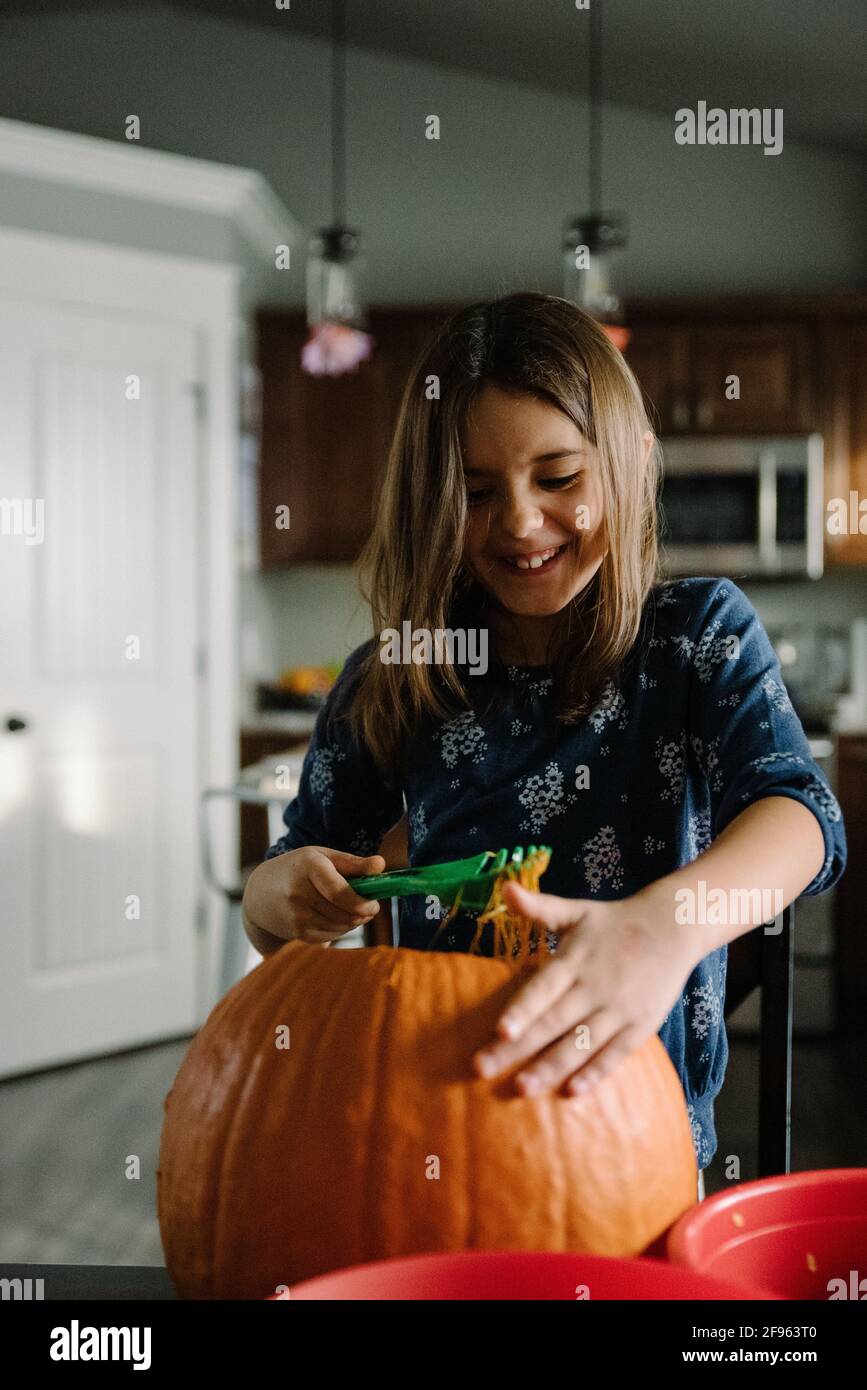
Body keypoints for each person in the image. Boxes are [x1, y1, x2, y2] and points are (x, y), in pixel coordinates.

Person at [242, 291, 846, 1183]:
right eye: (476, 493)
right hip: (437, 1146)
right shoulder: (396, 677)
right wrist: (274, 893)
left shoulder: (694, 638)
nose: (520, 522)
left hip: (638, 1151)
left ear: (632, 464)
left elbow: (801, 817)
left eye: (558, 479)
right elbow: (284, 905)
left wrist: (664, 927)